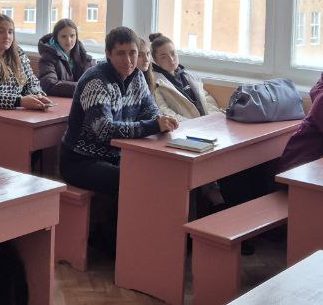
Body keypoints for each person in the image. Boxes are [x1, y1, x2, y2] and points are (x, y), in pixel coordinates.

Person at [59, 27, 179, 250]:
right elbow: (104, 130)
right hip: (81, 161)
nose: (129, 60)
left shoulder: (137, 77)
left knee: (164, 175)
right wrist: (153, 126)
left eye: (133, 53)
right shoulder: (96, 80)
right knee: (133, 181)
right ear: (108, 54)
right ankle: (115, 242)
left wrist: (161, 121)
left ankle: (155, 240)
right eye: (121, 53)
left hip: (117, 157)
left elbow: (150, 111)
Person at [148, 33, 217, 120]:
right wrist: (192, 124)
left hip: (204, 122)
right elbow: (164, 110)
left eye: (173, 53)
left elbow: (206, 98)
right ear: (156, 60)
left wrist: (213, 117)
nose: (171, 59)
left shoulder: (188, 76)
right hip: (185, 125)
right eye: (164, 57)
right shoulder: (156, 84)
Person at [37, 17, 93, 97]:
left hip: (78, 100)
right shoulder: (47, 58)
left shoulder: (84, 57)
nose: (68, 40)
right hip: (58, 101)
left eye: (72, 36)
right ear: (56, 38)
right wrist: (82, 87)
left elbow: (93, 82)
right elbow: (49, 85)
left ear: (76, 36)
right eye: (63, 36)